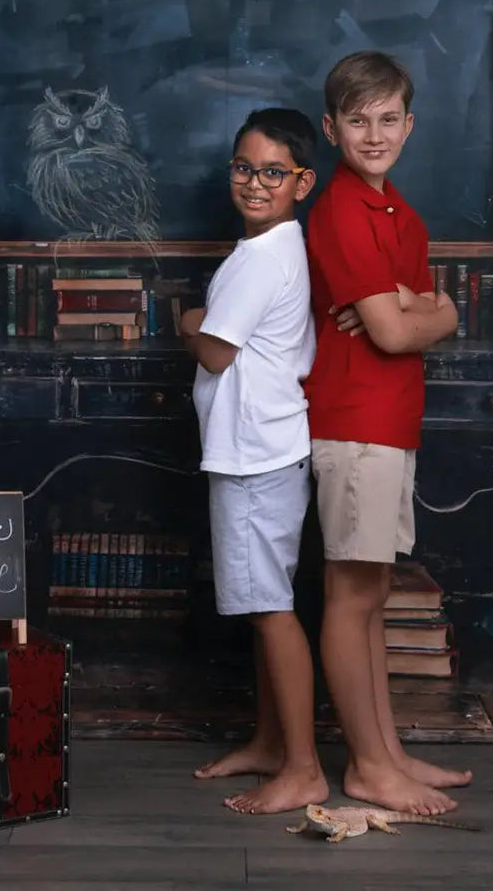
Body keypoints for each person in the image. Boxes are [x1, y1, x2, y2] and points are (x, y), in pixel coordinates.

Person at [304, 51, 471, 816]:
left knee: (371, 592)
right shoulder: (340, 210)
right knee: (349, 594)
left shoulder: (398, 211)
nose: (374, 133)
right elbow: (396, 333)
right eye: (357, 120)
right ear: (332, 128)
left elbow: (425, 315)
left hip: (388, 421)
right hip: (354, 423)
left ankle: (389, 749)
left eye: (387, 118)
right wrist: (422, 312)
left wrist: (429, 309)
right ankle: (367, 766)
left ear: (409, 122)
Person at [181, 107, 328, 816]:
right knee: (267, 603)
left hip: (253, 455)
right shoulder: (279, 247)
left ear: (301, 181)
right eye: (243, 167)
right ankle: (271, 744)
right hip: (266, 446)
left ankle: (302, 768)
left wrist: (186, 322)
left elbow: (214, 349)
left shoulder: (260, 258)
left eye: (272, 172)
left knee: (270, 610)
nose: (253, 182)